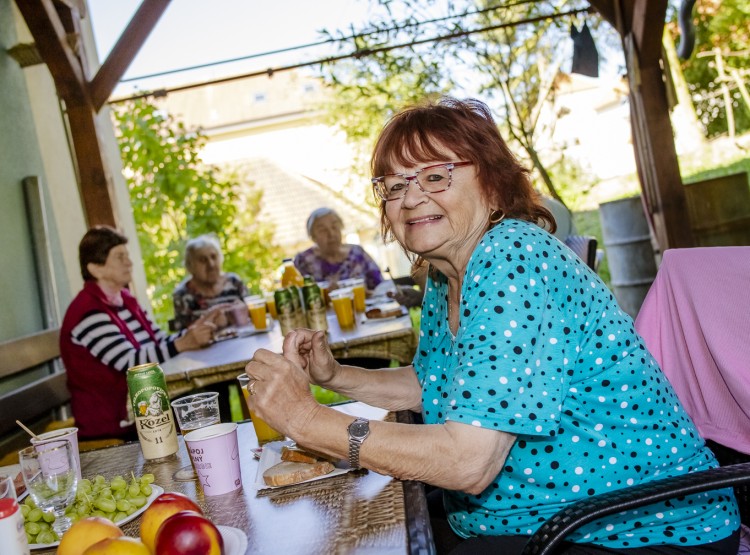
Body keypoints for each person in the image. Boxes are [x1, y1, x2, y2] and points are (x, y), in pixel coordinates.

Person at [243, 98, 740, 554]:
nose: (411, 198)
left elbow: (467, 462)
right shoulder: (446, 275)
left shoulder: (513, 258)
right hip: (538, 513)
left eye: (435, 176)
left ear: (492, 182)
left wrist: (306, 420)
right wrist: (333, 376)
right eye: (394, 185)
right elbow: (433, 384)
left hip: (639, 526)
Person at [60, 226, 220, 440]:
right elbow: (131, 364)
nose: (129, 262)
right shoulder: (87, 312)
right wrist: (183, 343)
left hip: (144, 410)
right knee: (200, 404)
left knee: (207, 397)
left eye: (127, 255)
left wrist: (192, 333)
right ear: (96, 268)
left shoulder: (124, 299)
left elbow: (158, 342)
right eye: (120, 257)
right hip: (113, 424)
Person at [293, 207, 384, 291]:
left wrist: (369, 293)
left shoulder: (357, 253)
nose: (331, 234)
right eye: (322, 230)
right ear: (313, 237)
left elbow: (381, 286)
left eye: (334, 227)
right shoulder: (303, 261)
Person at [172, 234, 248, 331]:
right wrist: (211, 322)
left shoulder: (234, 282)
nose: (211, 264)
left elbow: (252, 310)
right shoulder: (182, 295)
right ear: (190, 266)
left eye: (214, 257)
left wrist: (242, 311)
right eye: (203, 260)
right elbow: (183, 336)